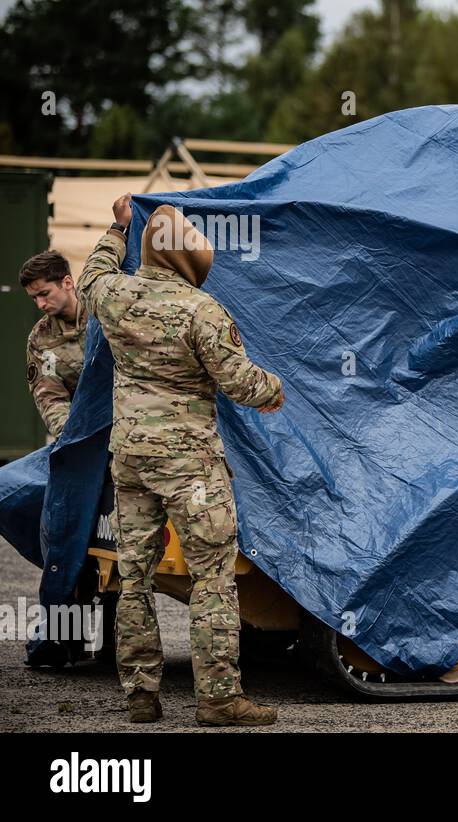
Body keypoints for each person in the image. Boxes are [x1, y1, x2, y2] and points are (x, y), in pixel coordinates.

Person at [78, 194, 285, 726]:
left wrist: (117, 227)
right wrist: (274, 388)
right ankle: (218, 699)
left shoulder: (116, 295)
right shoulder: (202, 310)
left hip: (130, 460)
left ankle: (141, 695)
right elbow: (240, 382)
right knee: (212, 575)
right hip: (191, 467)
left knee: (134, 575)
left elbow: (91, 276)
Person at [21, 250, 86, 440]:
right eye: (34, 298)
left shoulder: (103, 312)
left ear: (67, 283)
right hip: (86, 427)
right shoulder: (40, 339)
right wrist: (71, 437)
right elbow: (50, 397)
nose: (40, 304)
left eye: (44, 294)